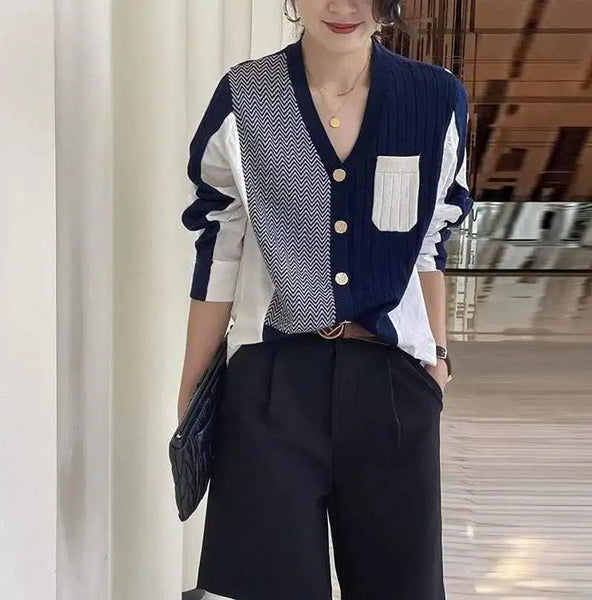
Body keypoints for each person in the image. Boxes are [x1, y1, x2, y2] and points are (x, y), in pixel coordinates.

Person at [177, 1, 473, 598]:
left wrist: (437, 359)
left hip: (392, 385)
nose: (342, 6)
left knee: (401, 587)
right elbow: (220, 252)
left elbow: (429, 244)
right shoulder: (248, 96)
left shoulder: (434, 98)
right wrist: (193, 393)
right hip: (271, 386)